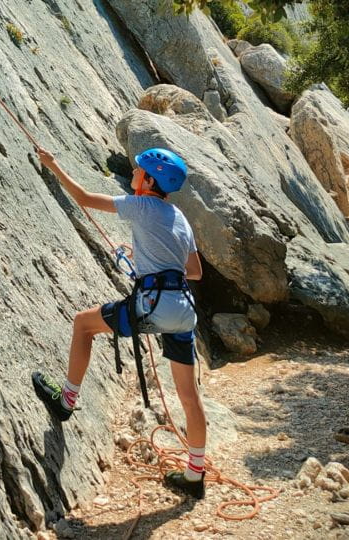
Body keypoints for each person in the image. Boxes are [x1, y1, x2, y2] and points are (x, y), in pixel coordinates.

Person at [31, 146, 208, 499]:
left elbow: (83, 198)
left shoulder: (141, 205)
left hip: (154, 305)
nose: (134, 174)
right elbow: (194, 271)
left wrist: (53, 165)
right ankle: (195, 475)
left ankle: (66, 401)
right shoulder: (180, 217)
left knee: (83, 324)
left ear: (150, 181)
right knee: (189, 395)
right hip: (183, 310)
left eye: (139, 170)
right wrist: (146, 258)